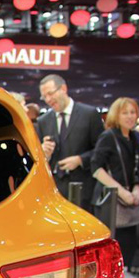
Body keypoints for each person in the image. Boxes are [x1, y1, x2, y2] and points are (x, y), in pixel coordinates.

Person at [90, 97, 139, 267]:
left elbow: (138, 167)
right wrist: (121, 191)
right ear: (116, 115)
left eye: (133, 112)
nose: (130, 116)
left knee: (127, 250)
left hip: (130, 200)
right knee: (111, 251)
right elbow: (96, 167)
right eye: (125, 113)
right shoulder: (108, 136)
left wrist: (137, 189)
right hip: (110, 200)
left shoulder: (135, 137)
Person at [36, 74, 104, 210]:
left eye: (50, 94)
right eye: (44, 97)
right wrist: (44, 152)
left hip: (84, 188)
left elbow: (100, 150)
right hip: (54, 190)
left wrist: (80, 160)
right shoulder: (43, 121)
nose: (48, 99)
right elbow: (39, 158)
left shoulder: (89, 114)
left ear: (63, 89)